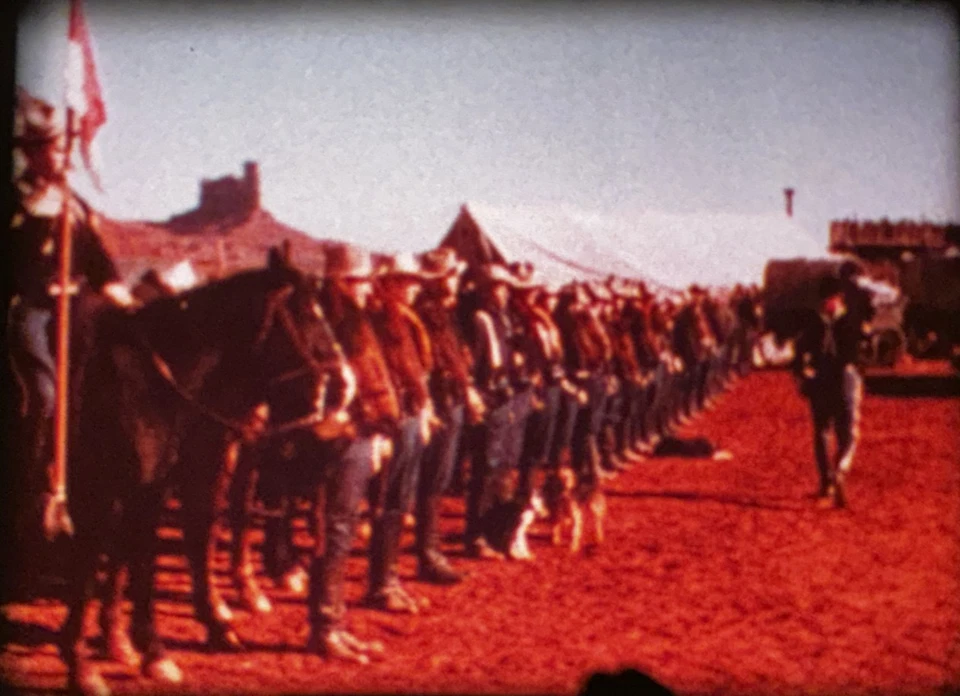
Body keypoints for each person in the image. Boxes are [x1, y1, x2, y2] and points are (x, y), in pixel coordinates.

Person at [7, 89, 134, 542]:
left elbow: (104, 269)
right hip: (34, 311)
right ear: (35, 152)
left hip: (79, 313)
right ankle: (33, 485)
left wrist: (126, 302)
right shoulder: (19, 202)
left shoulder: (77, 206)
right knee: (44, 395)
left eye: (65, 147)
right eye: (56, 147)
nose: (64, 156)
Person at [793, 274, 864, 509]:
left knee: (847, 433)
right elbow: (799, 350)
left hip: (842, 379)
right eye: (824, 300)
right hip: (825, 381)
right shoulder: (816, 322)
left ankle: (839, 471)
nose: (825, 304)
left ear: (838, 298)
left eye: (829, 299)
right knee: (823, 432)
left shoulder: (849, 321)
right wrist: (802, 374)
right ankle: (828, 482)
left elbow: (852, 355)